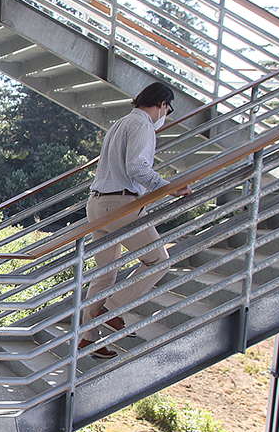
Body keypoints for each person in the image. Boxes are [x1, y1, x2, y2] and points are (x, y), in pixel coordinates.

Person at [78, 82, 193, 359]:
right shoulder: (143, 126)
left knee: (104, 275)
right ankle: (112, 312)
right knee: (158, 260)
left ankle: (87, 339)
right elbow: (137, 167)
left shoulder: (121, 123)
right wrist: (169, 187)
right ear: (162, 104)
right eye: (168, 109)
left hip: (96, 204)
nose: (166, 114)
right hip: (121, 203)